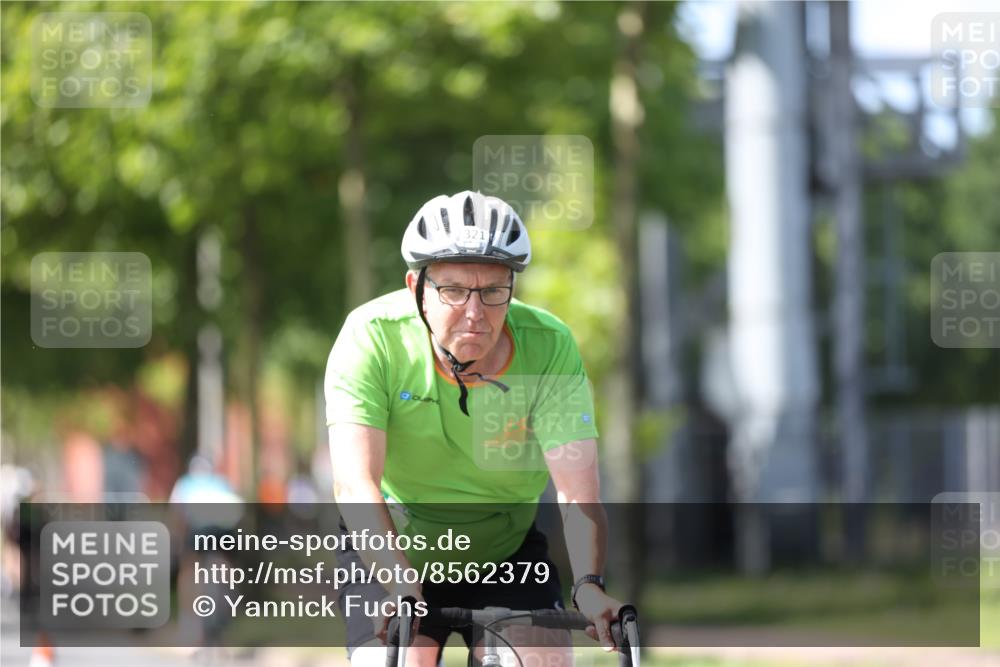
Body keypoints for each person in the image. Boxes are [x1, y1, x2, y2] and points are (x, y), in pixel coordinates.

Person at [325, 191, 624, 667]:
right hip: (392, 548)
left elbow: (576, 494)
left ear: (512, 290)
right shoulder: (371, 337)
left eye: (492, 291)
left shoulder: (549, 347)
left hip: (505, 551)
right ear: (415, 287)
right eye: (453, 290)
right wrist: (401, 583)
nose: (474, 311)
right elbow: (355, 483)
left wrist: (588, 587)